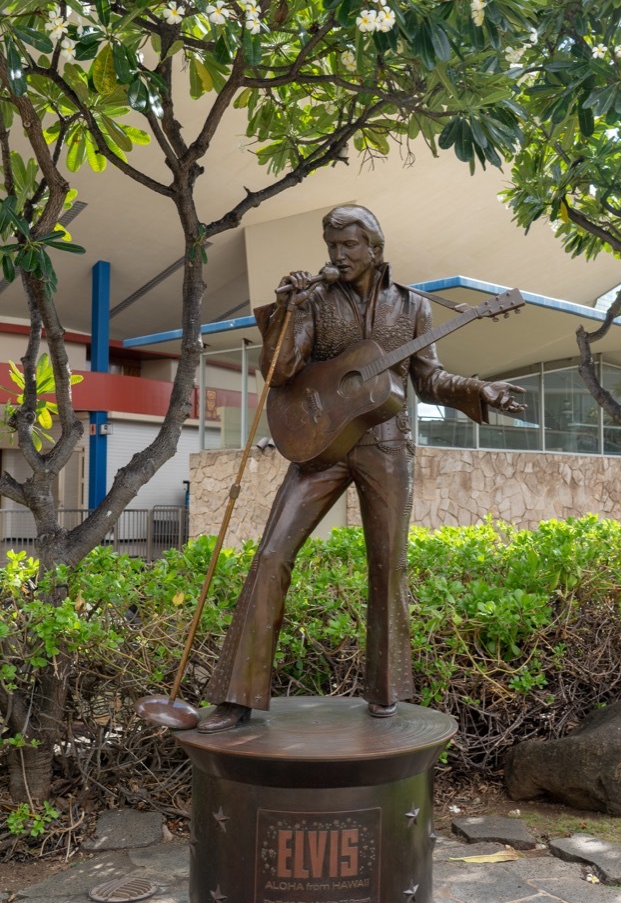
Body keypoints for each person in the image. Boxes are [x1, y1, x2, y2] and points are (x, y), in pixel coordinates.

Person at [198, 205, 524, 731]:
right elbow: (279, 372)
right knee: (272, 554)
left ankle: (386, 693)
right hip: (320, 444)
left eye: (348, 245)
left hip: (387, 445)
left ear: (374, 248)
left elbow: (429, 380)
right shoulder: (313, 299)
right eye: (332, 246)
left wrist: (479, 389)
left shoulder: (413, 305)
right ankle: (236, 696)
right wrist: (286, 311)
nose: (338, 255)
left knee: (387, 567)